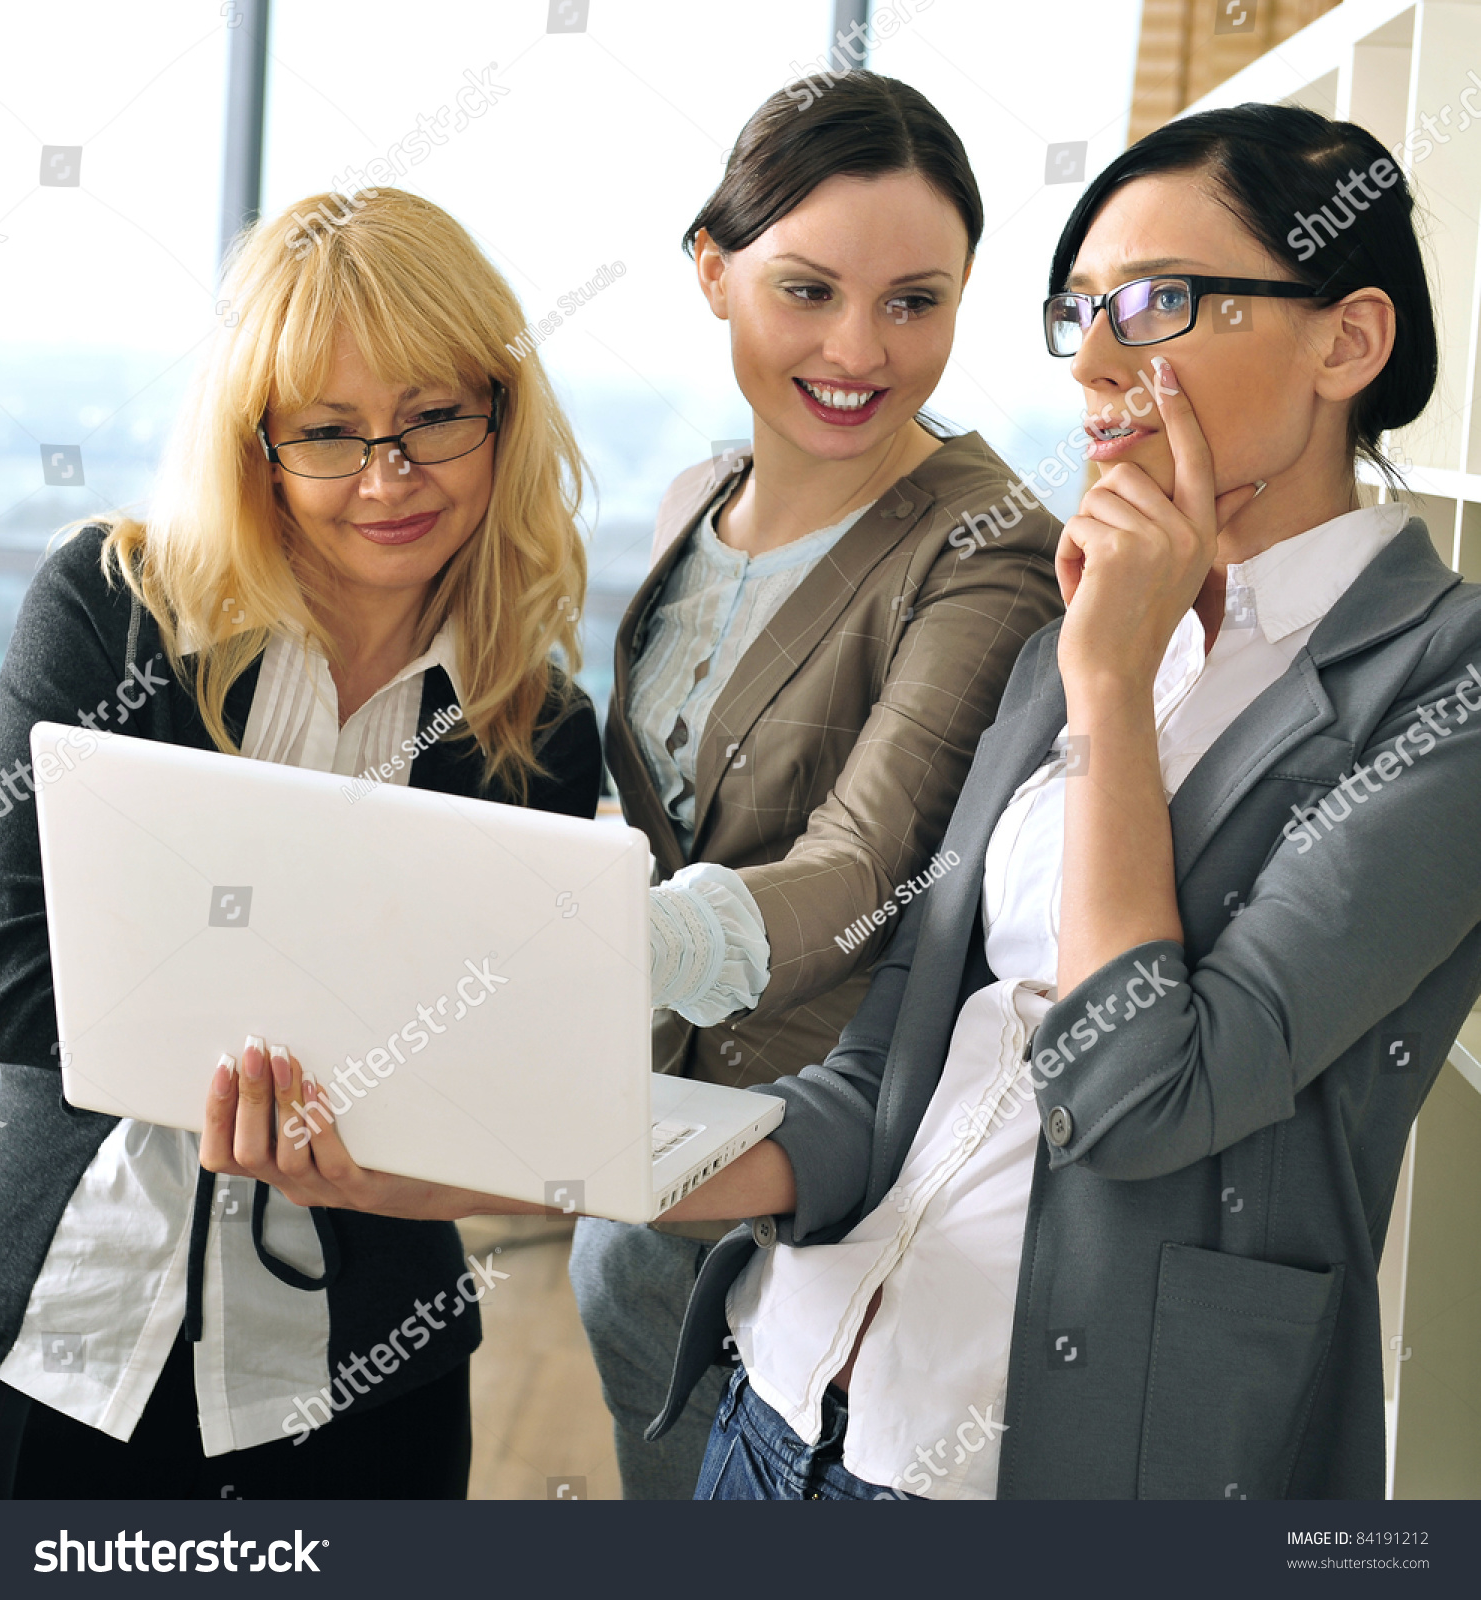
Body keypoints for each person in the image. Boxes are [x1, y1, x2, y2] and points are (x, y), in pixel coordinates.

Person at [217, 100, 1479, 1503]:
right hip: (792, 1401)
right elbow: (879, 1090)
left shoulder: (1426, 686)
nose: (1100, 362)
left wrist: (1111, 689)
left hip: (1055, 1470)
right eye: (1082, 312)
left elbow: (1139, 1092)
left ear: (1347, 341)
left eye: (1161, 303)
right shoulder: (1109, 612)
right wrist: (472, 1161)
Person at [0, 187, 600, 1499]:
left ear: (502, 412)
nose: (390, 478)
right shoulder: (114, 609)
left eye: (435, 416)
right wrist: (324, 1069)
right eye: (330, 433)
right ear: (257, 444)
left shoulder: (537, 730)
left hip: (372, 1374)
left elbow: (511, 1081)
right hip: (52, 1335)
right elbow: (5, 965)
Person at [568, 70, 1064, 1496]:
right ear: (713, 271)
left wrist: (582, 944)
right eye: (808, 291)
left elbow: (860, 872)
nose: (861, 349)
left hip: (817, 1178)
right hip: (647, 1145)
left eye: (917, 300)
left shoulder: (985, 547)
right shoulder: (692, 507)